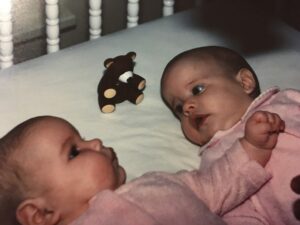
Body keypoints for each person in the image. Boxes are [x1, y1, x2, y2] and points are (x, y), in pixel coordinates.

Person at [0, 113, 282, 225]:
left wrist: (253, 146)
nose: (96, 142)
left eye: (83, 137)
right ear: (41, 214)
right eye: (74, 151)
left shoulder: (157, 184)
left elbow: (217, 184)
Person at [161, 45, 300, 224]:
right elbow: (234, 212)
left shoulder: (284, 101)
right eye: (178, 108)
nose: (187, 107)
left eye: (197, 90)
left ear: (244, 82)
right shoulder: (216, 163)